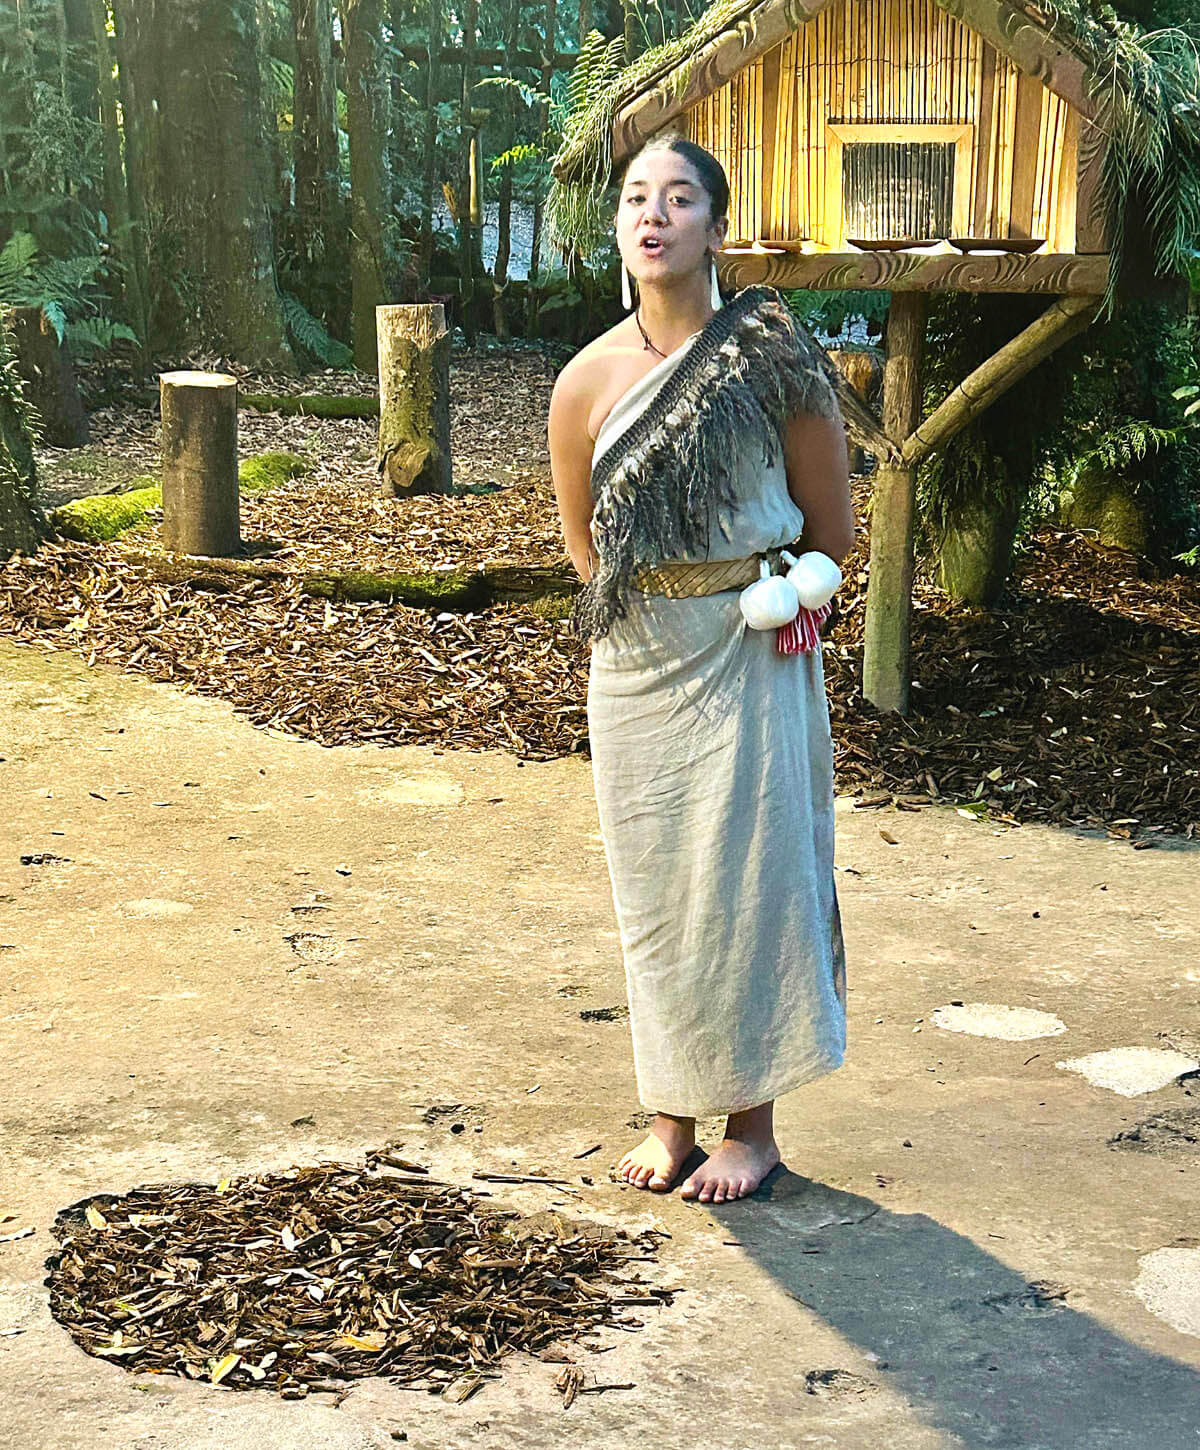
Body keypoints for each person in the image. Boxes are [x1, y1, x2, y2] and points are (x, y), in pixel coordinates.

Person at [547, 135, 855, 1205]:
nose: (654, 215)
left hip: (750, 649)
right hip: (637, 666)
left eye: (680, 198)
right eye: (637, 197)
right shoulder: (585, 378)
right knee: (659, 892)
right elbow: (585, 545)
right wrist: (652, 616)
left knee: (753, 883)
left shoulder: (770, 355)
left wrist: (774, 592)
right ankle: (671, 1114)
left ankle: (751, 1126)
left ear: (716, 226)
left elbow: (835, 526)